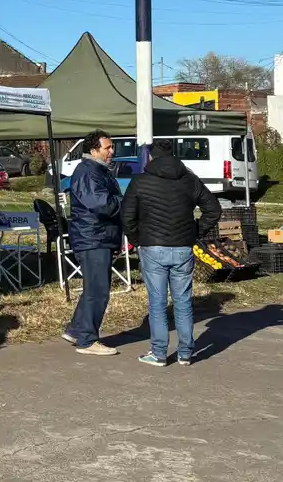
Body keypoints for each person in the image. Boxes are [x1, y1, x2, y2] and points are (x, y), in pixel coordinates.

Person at [120, 139, 220, 367]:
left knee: (158, 303)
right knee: (183, 301)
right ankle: (185, 353)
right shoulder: (189, 180)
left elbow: (127, 217)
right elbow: (213, 209)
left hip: (152, 246)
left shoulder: (140, 181)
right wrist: (195, 231)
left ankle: (159, 352)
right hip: (183, 246)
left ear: (151, 158)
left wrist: (137, 240)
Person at [62, 130, 124, 357]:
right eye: (107, 148)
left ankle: (77, 329)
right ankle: (87, 340)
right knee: (98, 290)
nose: (111, 152)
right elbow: (101, 204)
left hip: (98, 235)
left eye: (111, 147)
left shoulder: (98, 171)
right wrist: (124, 202)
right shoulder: (88, 172)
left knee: (94, 287)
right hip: (93, 236)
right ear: (93, 150)